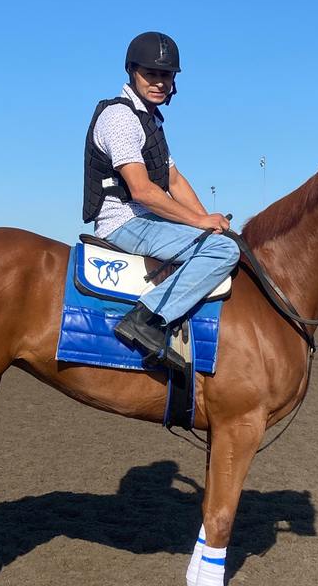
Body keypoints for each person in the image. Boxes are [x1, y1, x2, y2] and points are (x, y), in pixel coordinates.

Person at [82, 32, 240, 369]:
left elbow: (173, 180)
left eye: (165, 75)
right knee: (225, 252)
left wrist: (210, 224)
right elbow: (141, 190)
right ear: (132, 72)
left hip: (145, 219)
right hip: (123, 221)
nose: (159, 83)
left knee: (219, 241)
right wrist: (200, 223)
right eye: (150, 74)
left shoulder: (150, 121)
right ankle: (147, 319)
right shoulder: (120, 117)